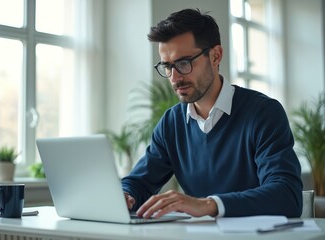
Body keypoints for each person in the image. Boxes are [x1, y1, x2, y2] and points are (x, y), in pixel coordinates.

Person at [121, 8, 303, 219]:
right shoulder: (172, 123)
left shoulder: (263, 113)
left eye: (184, 63)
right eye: (167, 66)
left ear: (216, 56)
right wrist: (126, 195)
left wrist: (209, 205)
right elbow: (139, 181)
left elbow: (287, 196)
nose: (174, 77)